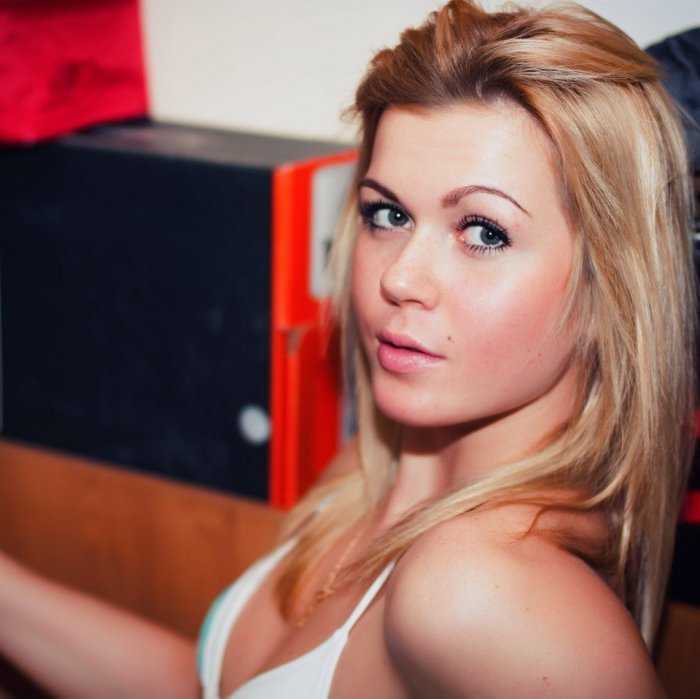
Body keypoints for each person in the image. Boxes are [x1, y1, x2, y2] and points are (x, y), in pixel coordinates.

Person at [0, 0, 696, 696]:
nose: (399, 277)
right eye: (387, 214)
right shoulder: (381, 465)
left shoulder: (488, 590)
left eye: (483, 232)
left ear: (612, 283)